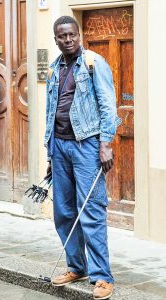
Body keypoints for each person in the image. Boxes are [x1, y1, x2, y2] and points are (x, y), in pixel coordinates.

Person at [44, 16, 121, 300]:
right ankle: (77, 266)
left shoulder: (93, 63)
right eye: (62, 36)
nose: (67, 39)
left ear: (79, 35)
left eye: (71, 35)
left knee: (90, 210)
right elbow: (50, 110)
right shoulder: (54, 68)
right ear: (56, 39)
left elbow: (107, 103)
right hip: (59, 147)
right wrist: (49, 151)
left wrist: (105, 144)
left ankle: (102, 276)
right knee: (63, 213)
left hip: (87, 145)